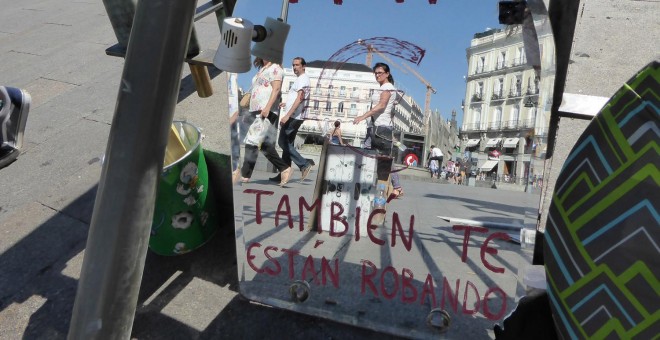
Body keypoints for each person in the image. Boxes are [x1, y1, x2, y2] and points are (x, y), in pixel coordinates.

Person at [352, 62, 403, 198]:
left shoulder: (387, 87)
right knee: (373, 155)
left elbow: (381, 106)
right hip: (376, 127)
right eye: (376, 73)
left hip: (381, 128)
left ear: (387, 74)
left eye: (380, 73)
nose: (377, 75)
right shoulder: (384, 88)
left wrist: (362, 116)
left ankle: (395, 186)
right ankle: (392, 186)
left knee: (382, 159)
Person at [239, 57, 292, 185]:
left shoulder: (275, 68)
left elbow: (276, 89)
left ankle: (245, 175)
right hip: (256, 109)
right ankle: (284, 168)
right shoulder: (263, 69)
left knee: (252, 141)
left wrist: (267, 108)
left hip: (265, 110)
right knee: (262, 144)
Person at [274, 57, 315, 183]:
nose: (294, 67)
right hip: (295, 115)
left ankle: (304, 164)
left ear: (303, 66)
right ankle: (283, 174)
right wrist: (286, 104)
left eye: (297, 65)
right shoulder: (301, 79)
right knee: (288, 145)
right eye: (293, 65)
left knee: (282, 142)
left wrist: (287, 115)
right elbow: (296, 99)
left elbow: (300, 98)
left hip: (293, 117)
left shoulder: (303, 79)